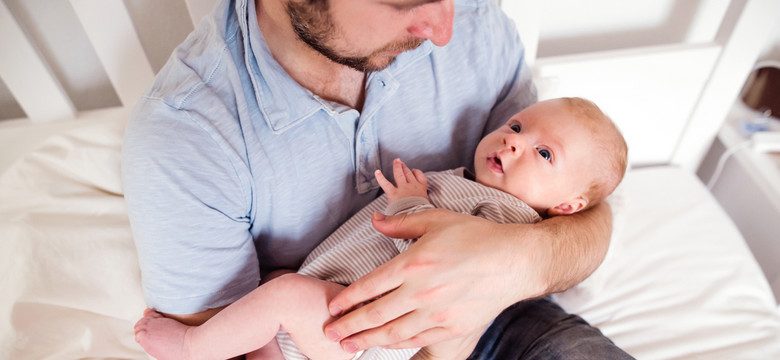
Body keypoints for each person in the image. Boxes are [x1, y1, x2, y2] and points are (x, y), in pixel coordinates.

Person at [122, 0, 631, 358]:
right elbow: (222, 341)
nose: (444, 27)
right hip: (340, 335)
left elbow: (580, 205)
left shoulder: (480, 25)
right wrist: (444, 350)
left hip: (507, 317)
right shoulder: (187, 137)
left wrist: (516, 264)